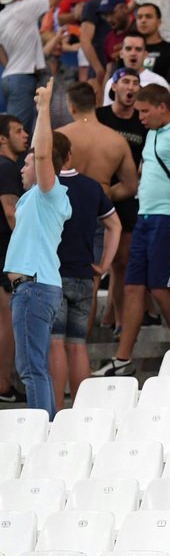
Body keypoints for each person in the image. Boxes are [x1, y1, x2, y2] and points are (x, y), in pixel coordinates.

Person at [95, 85, 170, 376]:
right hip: (145, 215)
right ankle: (123, 358)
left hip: (168, 218)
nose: (139, 117)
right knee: (132, 286)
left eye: (144, 111)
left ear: (162, 107)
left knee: (161, 287)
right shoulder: (153, 132)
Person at [4, 79, 72, 418]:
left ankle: (40, 432)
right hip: (31, 287)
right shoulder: (36, 197)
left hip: (33, 286)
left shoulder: (50, 192)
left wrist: (43, 108)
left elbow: (42, 152)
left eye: (27, 164)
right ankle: (42, 427)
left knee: (31, 368)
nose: (23, 167)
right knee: (31, 365)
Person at [51, 140, 121, 409]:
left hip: (53, 274)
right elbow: (114, 225)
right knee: (78, 344)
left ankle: (55, 412)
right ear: (70, 154)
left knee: (55, 344)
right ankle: (81, 411)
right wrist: (104, 265)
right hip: (84, 274)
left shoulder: (46, 187)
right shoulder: (92, 187)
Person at [95, 70, 148, 337]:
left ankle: (118, 320)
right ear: (114, 86)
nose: (130, 87)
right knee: (99, 261)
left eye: (135, 83)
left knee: (122, 262)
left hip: (126, 196)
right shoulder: (99, 116)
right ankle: (106, 317)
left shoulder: (142, 122)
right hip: (97, 194)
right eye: (125, 81)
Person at [0, 0, 74, 132]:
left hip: (11, 77)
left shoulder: (2, 16)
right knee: (17, 133)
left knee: (23, 130)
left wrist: (11, 66)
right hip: (23, 79)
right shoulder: (24, 7)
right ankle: (10, 161)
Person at [0, 115, 28, 404]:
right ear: (2, 138)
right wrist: (27, 247)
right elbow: (11, 212)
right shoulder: (7, 167)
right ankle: (3, 383)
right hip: (5, 251)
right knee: (6, 319)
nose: (26, 134)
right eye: (18, 131)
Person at [103, 32, 170, 103]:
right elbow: (107, 112)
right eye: (128, 49)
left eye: (138, 49)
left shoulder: (159, 82)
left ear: (145, 54)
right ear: (121, 54)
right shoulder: (112, 82)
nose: (133, 53)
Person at [135, 3, 170, 78]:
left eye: (148, 17)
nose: (143, 20)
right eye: (139, 17)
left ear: (159, 22)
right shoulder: (129, 50)